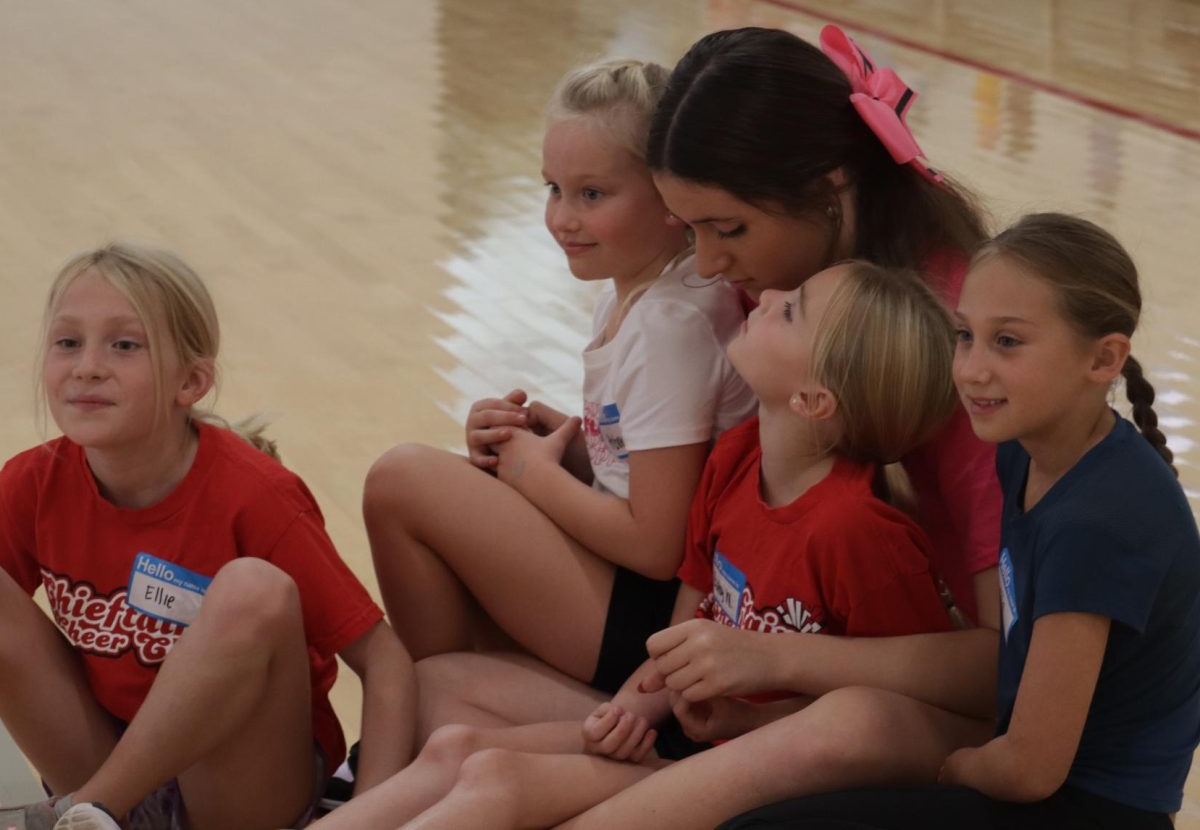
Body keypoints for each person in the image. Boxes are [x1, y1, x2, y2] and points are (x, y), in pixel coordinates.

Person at [313, 258, 968, 829]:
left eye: (790, 312)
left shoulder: (861, 533)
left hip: (742, 776)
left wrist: (738, 725)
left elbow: (894, 714)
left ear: (813, 398)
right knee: (453, 748)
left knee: (494, 780)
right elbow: (685, 631)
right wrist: (631, 710)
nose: (766, 297)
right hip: (683, 734)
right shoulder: (736, 459)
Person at [723, 213, 1200, 830]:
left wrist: (948, 768)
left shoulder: (1098, 523)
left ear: (1103, 358)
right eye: (965, 334)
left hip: (1088, 810)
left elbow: (1030, 769)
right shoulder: (1023, 450)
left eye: (1007, 341)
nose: (971, 369)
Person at [360, 59, 755, 700]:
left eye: (591, 195)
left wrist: (533, 475)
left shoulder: (670, 325)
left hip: (656, 617)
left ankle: (456, 697)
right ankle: (459, 695)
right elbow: (651, 473)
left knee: (400, 480)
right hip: (630, 586)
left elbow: (659, 544)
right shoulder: (638, 293)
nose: (561, 218)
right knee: (424, 486)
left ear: (670, 200)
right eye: (553, 188)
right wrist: (565, 446)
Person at [0, 243, 411, 830]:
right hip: (105, 760)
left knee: (251, 590)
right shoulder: (33, 483)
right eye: (68, 342)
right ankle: (93, 814)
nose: (87, 365)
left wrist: (373, 816)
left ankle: (85, 813)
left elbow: (387, 661)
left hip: (241, 795)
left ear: (190, 382)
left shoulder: (255, 494)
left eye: (124, 344)